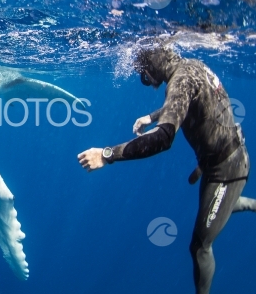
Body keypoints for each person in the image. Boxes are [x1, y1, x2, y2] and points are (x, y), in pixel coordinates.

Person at [77, 46, 256, 294]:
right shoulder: (193, 66)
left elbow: (162, 140)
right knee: (215, 207)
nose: (151, 84)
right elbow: (185, 101)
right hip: (227, 158)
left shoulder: (180, 81)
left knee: (199, 246)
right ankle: (242, 202)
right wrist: (152, 116)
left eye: (145, 76)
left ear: (152, 62)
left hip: (227, 170)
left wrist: (107, 155)